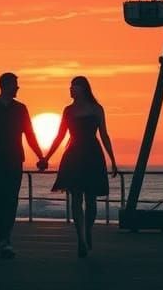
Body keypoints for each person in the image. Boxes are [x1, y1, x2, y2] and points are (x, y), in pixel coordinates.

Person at [41, 75, 118, 258]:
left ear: (83, 88)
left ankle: (88, 229)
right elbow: (59, 136)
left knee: (91, 199)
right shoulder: (68, 110)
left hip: (92, 153)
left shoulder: (97, 109)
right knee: (76, 197)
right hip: (74, 154)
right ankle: (81, 239)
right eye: (70, 86)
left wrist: (113, 160)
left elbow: (105, 135)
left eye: (73, 86)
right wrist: (46, 157)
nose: (70, 89)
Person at [0, 72, 45, 260]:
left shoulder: (21, 109)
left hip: (14, 160)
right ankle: (3, 240)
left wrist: (40, 156)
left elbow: (29, 135)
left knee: (11, 200)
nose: (18, 88)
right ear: (4, 85)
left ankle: (6, 239)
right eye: (15, 84)